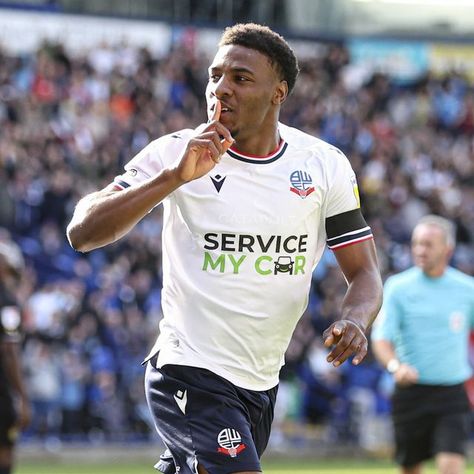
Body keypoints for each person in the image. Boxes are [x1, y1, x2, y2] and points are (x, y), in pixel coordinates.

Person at [67, 23, 383, 474]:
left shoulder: (323, 165)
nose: (221, 89)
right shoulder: (174, 153)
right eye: (216, 75)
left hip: (260, 382)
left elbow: (365, 273)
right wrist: (172, 179)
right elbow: (82, 231)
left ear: (278, 93)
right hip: (188, 368)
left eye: (240, 78)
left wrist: (355, 318)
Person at [372, 215, 474, 474]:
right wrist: (396, 367)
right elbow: (381, 338)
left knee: (451, 466)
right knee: (410, 468)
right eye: (416, 243)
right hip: (411, 393)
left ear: (447, 249)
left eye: (428, 244)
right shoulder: (398, 287)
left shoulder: (467, 289)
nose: (420, 250)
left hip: (452, 394)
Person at [0, 239, 31, 474]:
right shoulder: (8, 304)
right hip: (1, 392)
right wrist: (22, 397)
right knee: (4, 453)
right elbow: (10, 350)